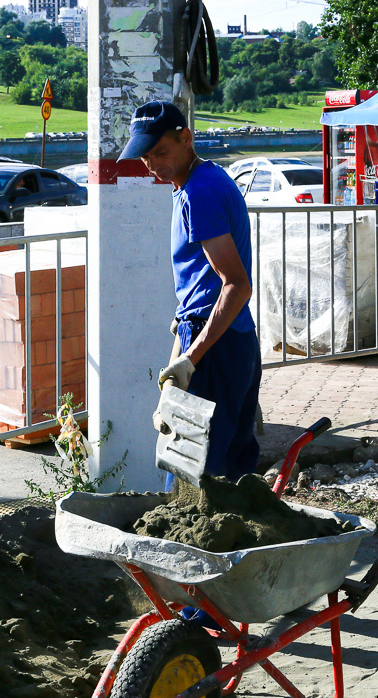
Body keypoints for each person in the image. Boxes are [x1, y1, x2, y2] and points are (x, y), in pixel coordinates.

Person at [117, 100, 261, 483]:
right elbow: (209, 280)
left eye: (161, 152)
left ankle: (193, 544)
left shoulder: (199, 193)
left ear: (187, 138)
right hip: (228, 337)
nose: (152, 164)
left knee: (190, 469)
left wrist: (191, 358)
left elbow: (236, 284)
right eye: (146, 156)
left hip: (215, 344)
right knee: (229, 470)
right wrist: (181, 333)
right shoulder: (203, 181)